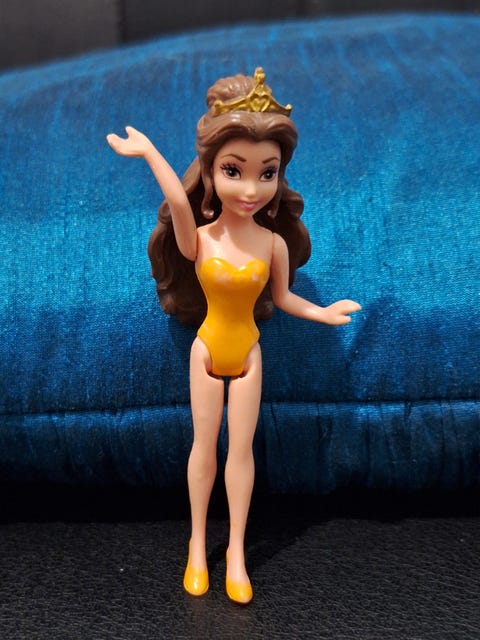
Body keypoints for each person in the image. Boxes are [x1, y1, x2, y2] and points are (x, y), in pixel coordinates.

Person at [107, 67, 360, 604]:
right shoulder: (199, 239)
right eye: (233, 170)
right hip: (205, 351)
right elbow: (179, 205)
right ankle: (198, 546)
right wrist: (149, 152)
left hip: (248, 353)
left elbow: (284, 298)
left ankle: (238, 553)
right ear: (210, 170)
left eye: (267, 173)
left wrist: (323, 312)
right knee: (203, 449)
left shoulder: (272, 243)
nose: (250, 189)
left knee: (240, 453)